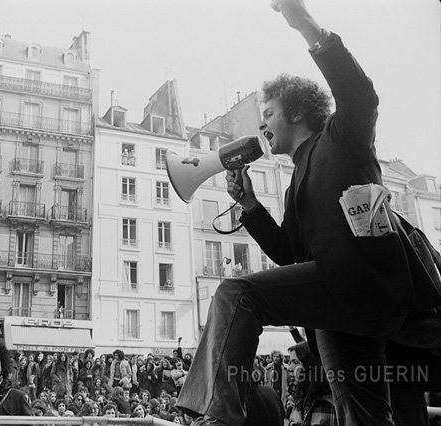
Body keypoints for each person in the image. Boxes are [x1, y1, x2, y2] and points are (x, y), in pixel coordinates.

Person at [176, 1, 440, 425]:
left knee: (236, 294)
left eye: (268, 113)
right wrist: (249, 205)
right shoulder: (296, 178)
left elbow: (360, 93)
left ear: (297, 111)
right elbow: (288, 251)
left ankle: (219, 415)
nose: (261, 125)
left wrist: (304, 24)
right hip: (347, 309)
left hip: (361, 285)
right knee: (362, 414)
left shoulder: (342, 136)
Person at [286, 341, 336, 426]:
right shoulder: (300, 400)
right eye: (290, 362)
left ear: (310, 366)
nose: (289, 368)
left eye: (295, 362)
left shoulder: (328, 405)